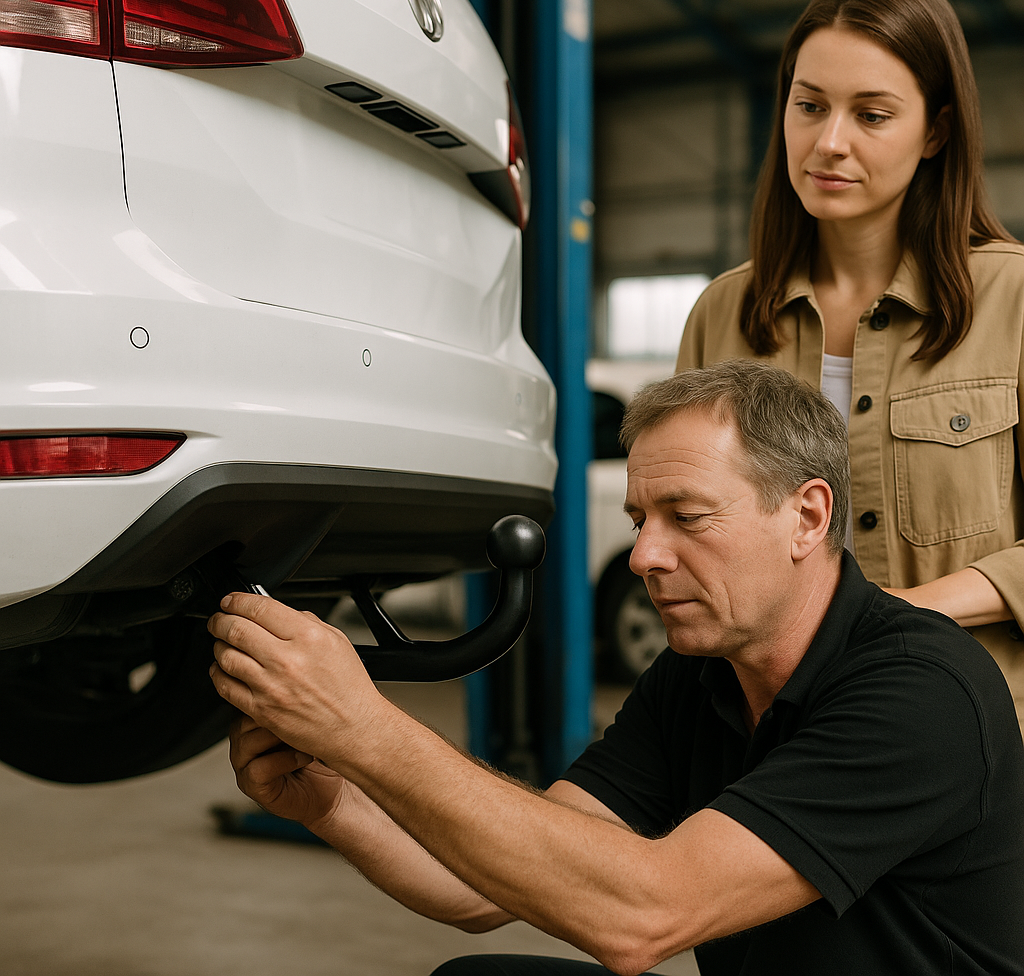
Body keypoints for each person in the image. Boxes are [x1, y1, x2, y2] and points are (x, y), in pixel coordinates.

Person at [209, 360, 1024, 976]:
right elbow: (483, 888)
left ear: (807, 516)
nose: (643, 555)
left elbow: (644, 915)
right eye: (639, 519)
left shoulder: (922, 689)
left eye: (687, 517)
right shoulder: (701, 676)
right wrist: (333, 800)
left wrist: (367, 726)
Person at [675, 0, 1024, 728]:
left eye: (871, 114)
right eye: (810, 107)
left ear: (934, 131)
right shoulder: (722, 315)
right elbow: (687, 530)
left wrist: (894, 615)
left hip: (965, 730)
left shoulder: (1014, 301)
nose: (829, 142)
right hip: (769, 735)